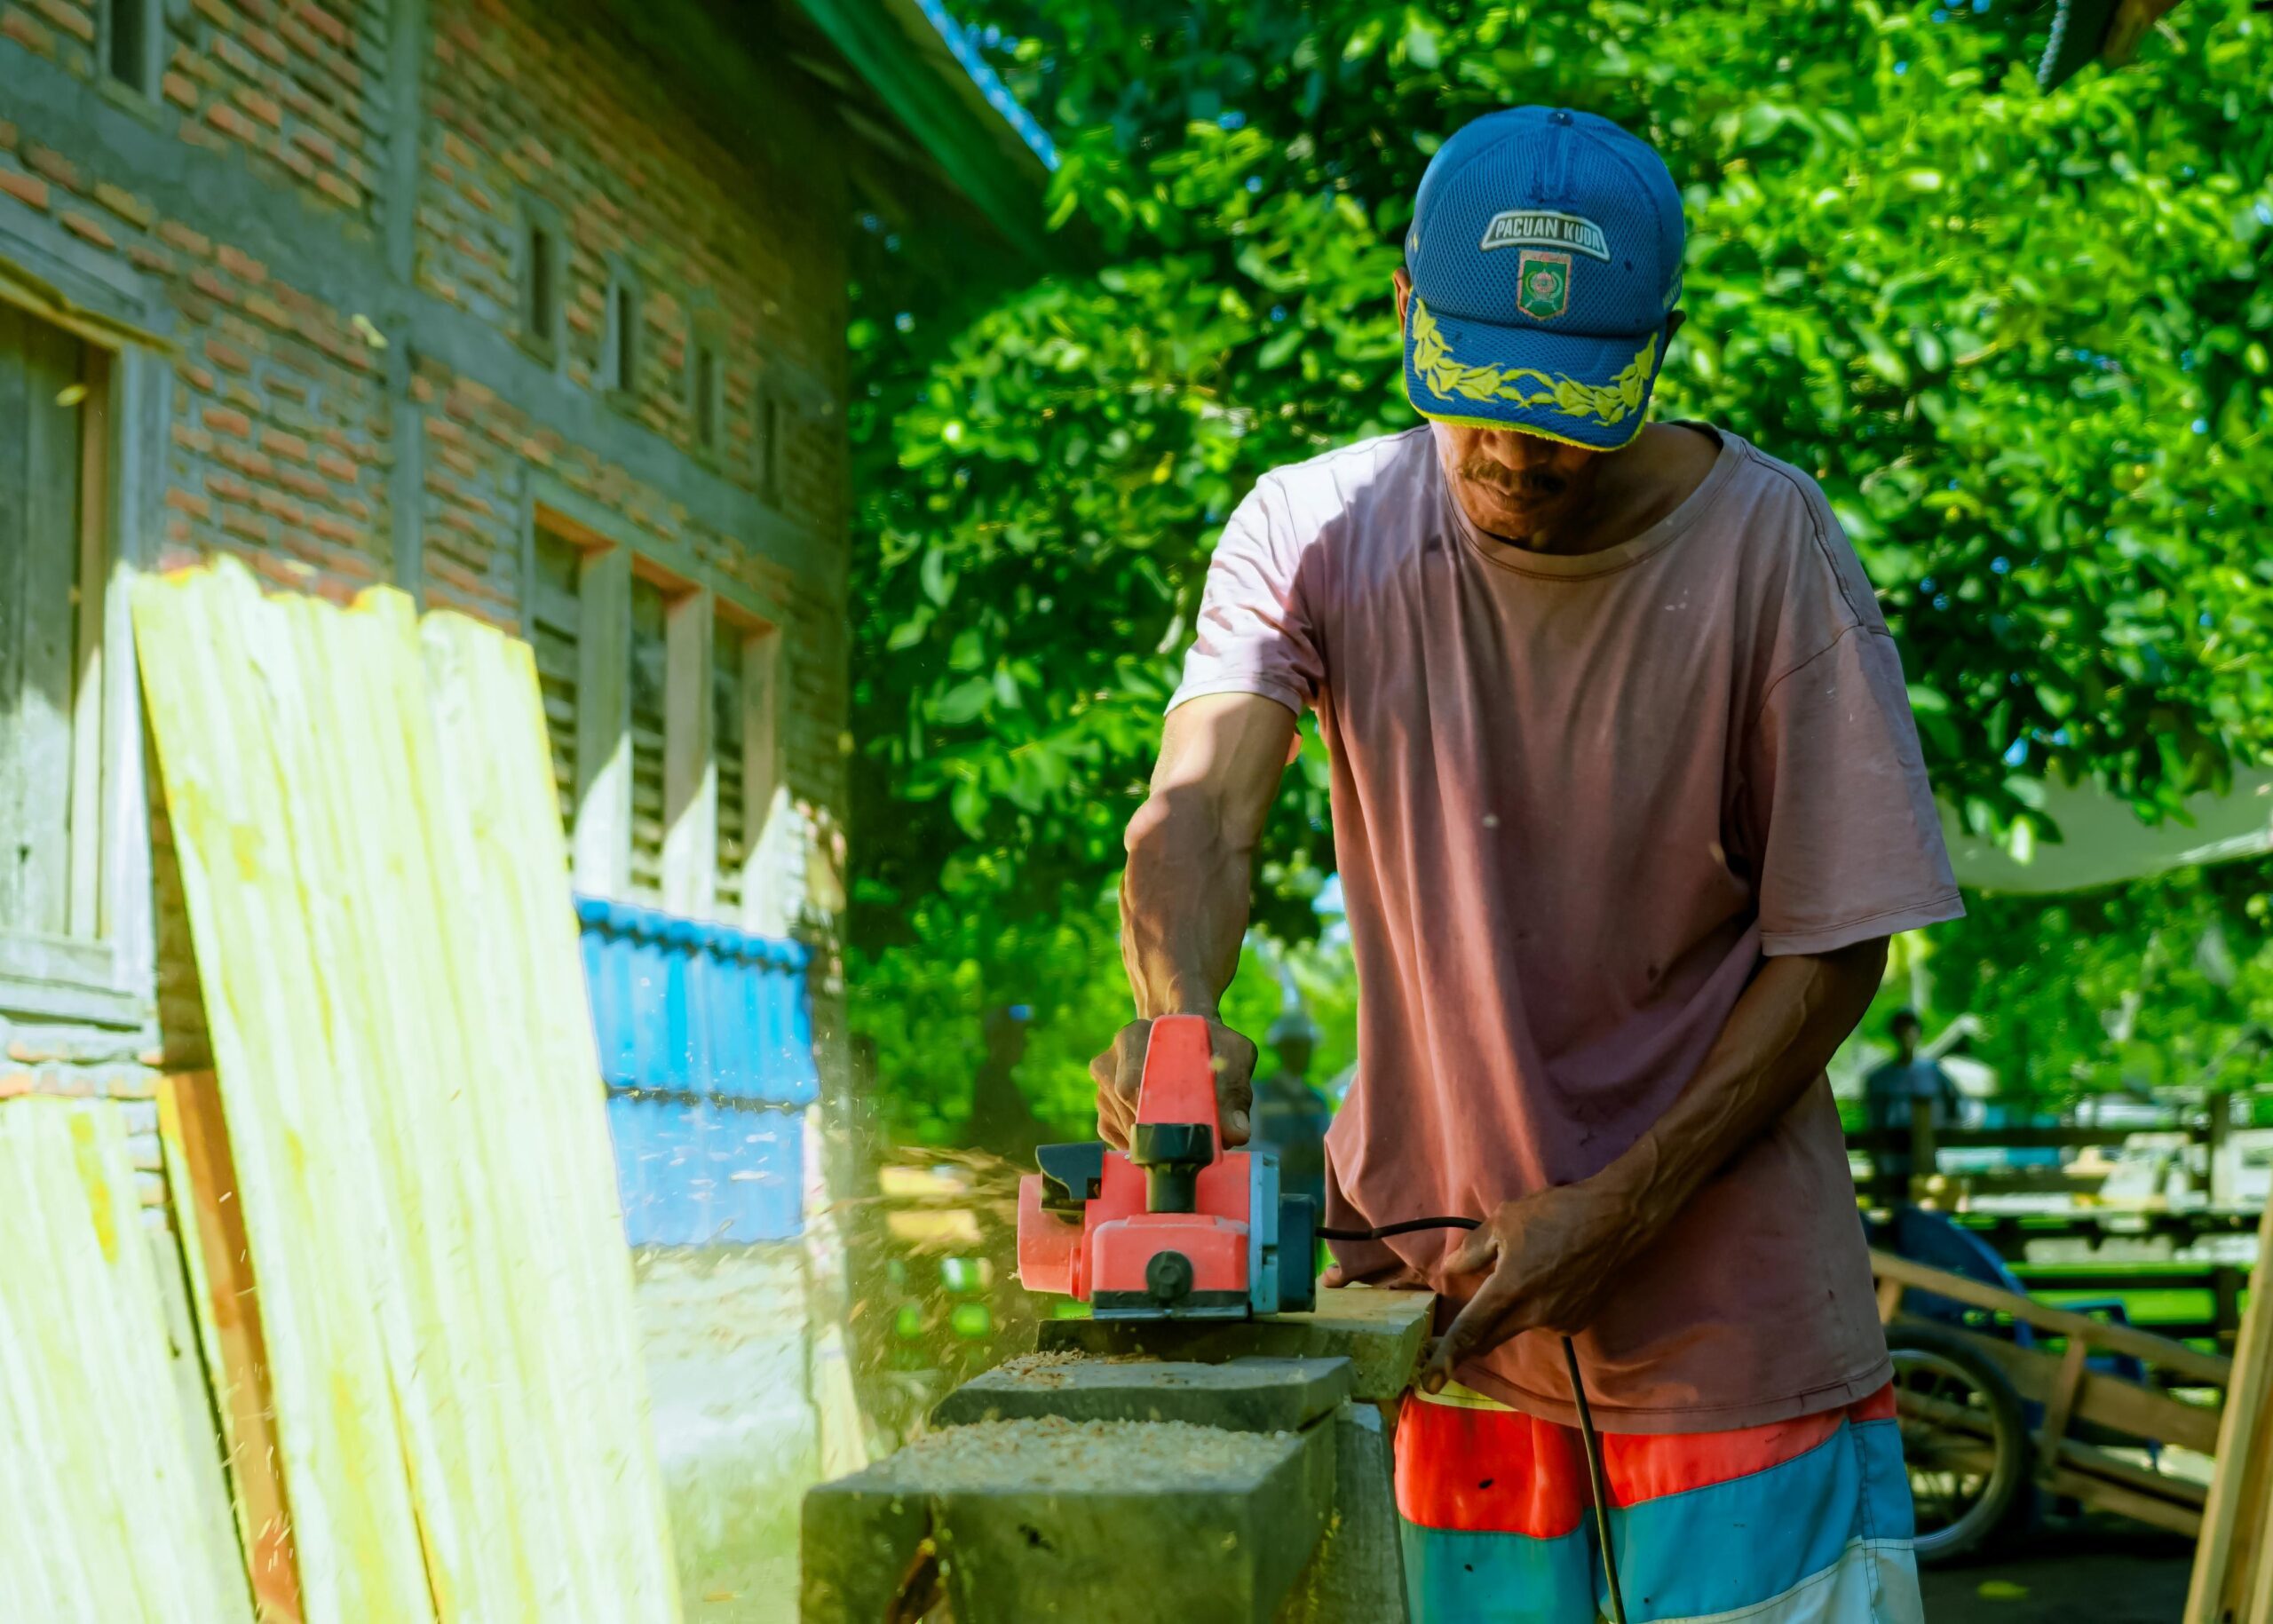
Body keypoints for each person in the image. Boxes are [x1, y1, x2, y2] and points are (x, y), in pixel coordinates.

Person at [1089, 106, 1960, 1624]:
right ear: (1408, 313)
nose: (1515, 447)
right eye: (1481, 392)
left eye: (1567, 403)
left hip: (1732, 1349)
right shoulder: (1312, 526)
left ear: (1658, 349)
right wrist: (1179, 1020)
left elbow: (1836, 947)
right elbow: (1202, 809)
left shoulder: (1774, 547)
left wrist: (1623, 1205)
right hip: (1441, 1329)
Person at [1865, 1009, 1965, 1187]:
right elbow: (1874, 1120)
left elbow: (1956, 1106)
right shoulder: (1880, 1078)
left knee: (1928, 1198)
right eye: (1902, 1032)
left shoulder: (1933, 1073)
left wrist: (1947, 1131)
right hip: (1894, 1155)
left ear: (1918, 1034)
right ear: (1895, 1035)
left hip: (1930, 1150)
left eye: (1910, 1031)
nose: (1906, 1037)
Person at [1249, 1010, 1332, 1212]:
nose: (1303, 1053)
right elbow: (1244, 1145)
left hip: (1314, 1205)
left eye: (1306, 1046)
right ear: (1281, 1049)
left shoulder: (1317, 1100)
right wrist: (1283, 1155)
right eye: (1295, 1046)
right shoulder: (1258, 1094)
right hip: (1270, 1203)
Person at [965, 1004, 1055, 1163]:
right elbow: (1005, 1139)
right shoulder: (992, 1083)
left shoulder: (1000, 1081)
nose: (1025, 1044)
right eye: (1018, 1037)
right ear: (1000, 1040)